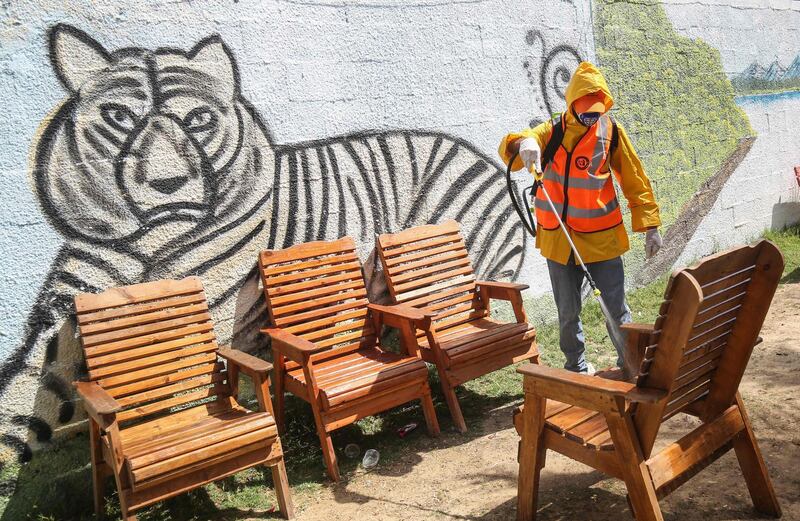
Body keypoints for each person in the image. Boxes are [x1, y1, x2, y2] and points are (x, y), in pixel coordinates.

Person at [498, 61, 662, 374]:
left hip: (602, 237)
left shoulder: (610, 132)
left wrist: (650, 226)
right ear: (573, 105)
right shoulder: (552, 130)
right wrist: (523, 144)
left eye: (596, 113)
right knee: (567, 313)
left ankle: (630, 367)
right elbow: (512, 147)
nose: (590, 119)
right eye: (585, 113)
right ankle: (576, 368)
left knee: (617, 309)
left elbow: (634, 178)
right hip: (559, 239)